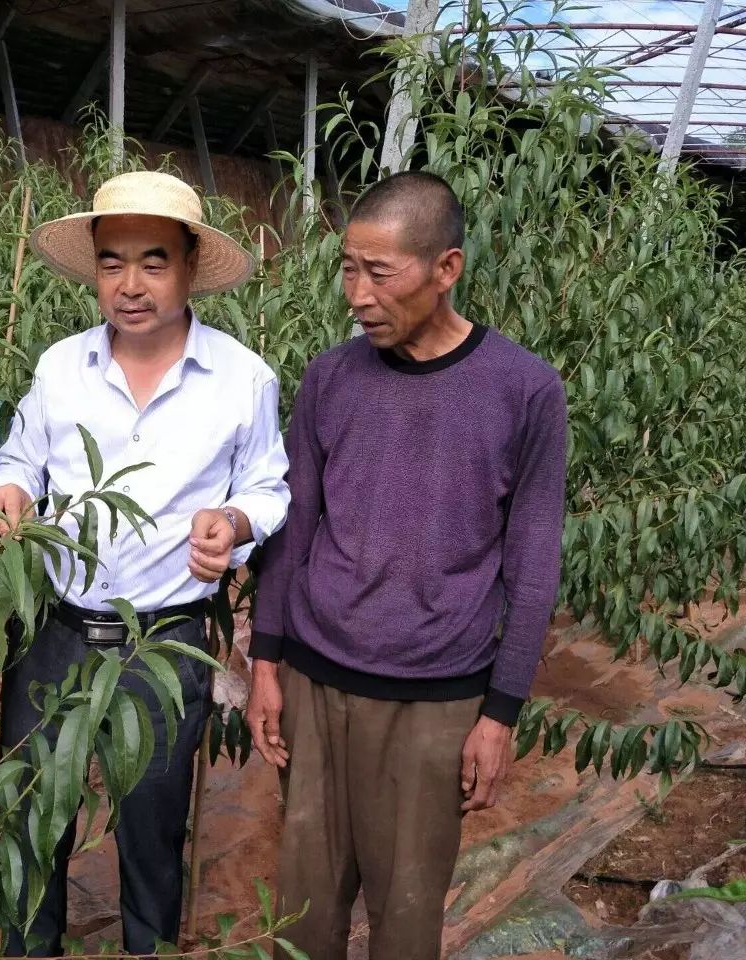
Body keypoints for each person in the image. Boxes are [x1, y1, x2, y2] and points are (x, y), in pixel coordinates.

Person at [0, 170, 291, 956]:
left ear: (188, 267)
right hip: (59, 632)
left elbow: (268, 483)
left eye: (153, 261)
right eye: (113, 262)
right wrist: (7, 492)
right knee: (34, 814)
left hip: (164, 642)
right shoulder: (60, 369)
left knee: (152, 821)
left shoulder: (243, 380)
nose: (131, 284)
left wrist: (236, 520)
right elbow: (21, 460)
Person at [248, 171, 568, 960]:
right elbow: (294, 527)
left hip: (436, 701)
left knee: (407, 917)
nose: (356, 293)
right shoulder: (330, 378)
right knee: (304, 915)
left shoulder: (524, 391)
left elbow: (532, 563)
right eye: (348, 268)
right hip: (317, 683)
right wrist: (266, 660)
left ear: (446, 268)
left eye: (379, 273)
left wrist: (500, 713)